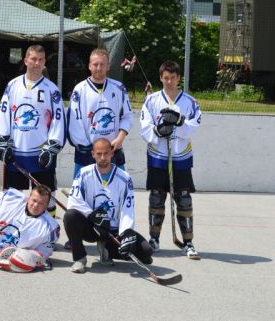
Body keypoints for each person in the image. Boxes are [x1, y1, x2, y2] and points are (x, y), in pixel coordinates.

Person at [140, 60, 202, 260]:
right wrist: (158, 131)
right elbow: (144, 126)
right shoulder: (151, 101)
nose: (169, 81)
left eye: (172, 78)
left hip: (180, 156)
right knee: (157, 197)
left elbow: (195, 125)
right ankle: (154, 239)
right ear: (161, 78)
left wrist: (180, 122)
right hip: (158, 156)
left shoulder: (190, 102)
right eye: (165, 78)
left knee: (183, 199)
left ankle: (188, 242)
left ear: (178, 78)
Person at [0, 44, 66, 216]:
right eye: (33, 59)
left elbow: (58, 121)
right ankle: (14, 228)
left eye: (40, 60)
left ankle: (48, 230)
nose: (36, 63)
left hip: (41, 154)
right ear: (25, 60)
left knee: (46, 199)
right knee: (12, 199)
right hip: (16, 153)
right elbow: (3, 114)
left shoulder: (52, 90)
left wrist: (52, 147)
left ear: (44, 62)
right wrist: (1, 141)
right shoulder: (13, 85)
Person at [63, 138, 153, 273]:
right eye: (99, 154)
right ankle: (80, 258)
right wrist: (92, 215)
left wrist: (126, 232)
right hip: (93, 228)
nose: (102, 157)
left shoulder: (125, 178)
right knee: (70, 216)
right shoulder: (83, 173)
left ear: (112, 153)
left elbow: (127, 208)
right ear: (93, 154)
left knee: (146, 252)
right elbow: (73, 201)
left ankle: (106, 249)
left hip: (113, 231)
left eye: (106, 153)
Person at [67, 48, 132, 178]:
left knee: (117, 188)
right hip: (87, 152)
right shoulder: (80, 89)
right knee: (82, 189)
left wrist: (120, 138)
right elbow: (74, 122)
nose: (98, 68)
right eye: (95, 64)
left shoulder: (119, 88)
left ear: (108, 66)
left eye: (102, 64)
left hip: (113, 151)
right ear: (89, 66)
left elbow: (127, 116)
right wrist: (87, 147)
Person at [0, 185, 60, 265]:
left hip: (7, 261)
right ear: (28, 198)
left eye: (41, 203)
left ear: (46, 206)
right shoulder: (8, 199)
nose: (35, 206)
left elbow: (42, 254)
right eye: (34, 201)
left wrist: (28, 259)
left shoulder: (50, 229)